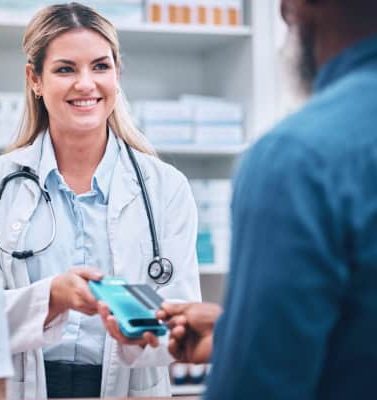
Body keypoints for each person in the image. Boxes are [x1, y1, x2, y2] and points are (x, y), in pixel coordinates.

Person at [0, 2, 201, 400]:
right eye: (65, 68)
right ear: (34, 79)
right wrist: (51, 298)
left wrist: (133, 323)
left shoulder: (166, 188)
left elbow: (180, 319)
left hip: (128, 388)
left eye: (101, 66)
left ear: (117, 74)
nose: (86, 84)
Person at [159, 0, 377, 399]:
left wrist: (247, 350)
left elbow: (258, 388)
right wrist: (233, 336)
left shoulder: (298, 158)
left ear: (292, 9)